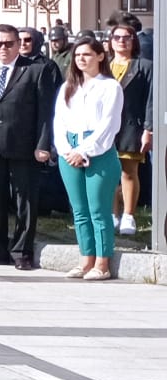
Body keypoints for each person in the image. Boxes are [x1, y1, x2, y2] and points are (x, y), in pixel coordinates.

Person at [0, 24, 55, 270]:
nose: (3, 48)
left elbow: (46, 112)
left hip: (25, 147)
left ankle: (21, 252)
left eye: (8, 43)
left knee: (24, 201)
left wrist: (43, 144)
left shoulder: (37, 70)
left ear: (18, 45)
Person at [52, 38, 122, 281]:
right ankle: (86, 258)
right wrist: (66, 150)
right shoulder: (68, 87)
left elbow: (108, 125)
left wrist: (84, 150)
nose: (81, 59)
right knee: (79, 210)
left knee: (98, 209)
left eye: (88, 54)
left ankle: (102, 262)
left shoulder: (110, 87)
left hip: (98, 151)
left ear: (101, 56)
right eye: (78, 55)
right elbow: (59, 121)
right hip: (69, 150)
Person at [106, 21, 151, 237]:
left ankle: (128, 215)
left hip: (132, 126)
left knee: (128, 172)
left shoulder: (144, 66)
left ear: (134, 41)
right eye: (117, 37)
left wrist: (148, 129)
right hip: (105, 127)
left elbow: (152, 100)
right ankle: (112, 214)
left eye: (126, 37)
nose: (122, 41)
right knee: (108, 173)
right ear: (110, 42)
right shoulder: (104, 65)